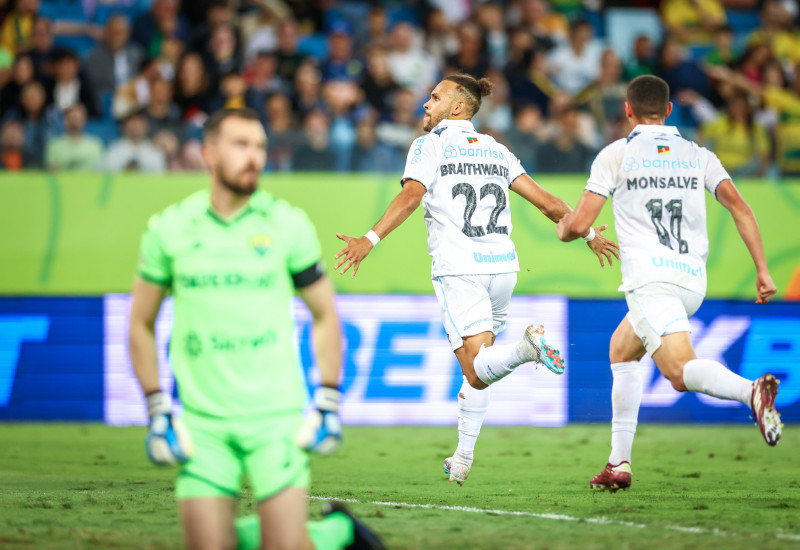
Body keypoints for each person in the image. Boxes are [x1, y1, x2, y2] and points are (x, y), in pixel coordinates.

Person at [334, 74, 619, 486]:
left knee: (476, 371)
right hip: (503, 267)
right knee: (480, 367)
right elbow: (550, 204)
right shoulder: (496, 149)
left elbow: (411, 196)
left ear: (457, 107)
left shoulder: (429, 145)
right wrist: (589, 234)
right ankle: (463, 459)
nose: (425, 104)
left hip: (459, 266)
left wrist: (369, 239)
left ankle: (526, 349)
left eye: (434, 97)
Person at [128, 107, 383, 550]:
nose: (254, 157)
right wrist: (156, 409)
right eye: (241, 145)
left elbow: (325, 313)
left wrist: (327, 400)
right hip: (202, 425)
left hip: (276, 421)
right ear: (208, 153)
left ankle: (336, 533)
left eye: (261, 146)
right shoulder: (168, 230)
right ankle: (335, 531)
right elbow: (139, 323)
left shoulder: (288, 224)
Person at [555, 75, 782, 493]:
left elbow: (581, 224)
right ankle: (618, 463)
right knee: (622, 350)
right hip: (691, 280)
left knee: (678, 374)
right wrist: (763, 269)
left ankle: (752, 391)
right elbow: (741, 208)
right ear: (670, 110)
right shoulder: (699, 155)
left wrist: (565, 228)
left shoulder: (617, 154)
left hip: (650, 280)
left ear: (627, 111)